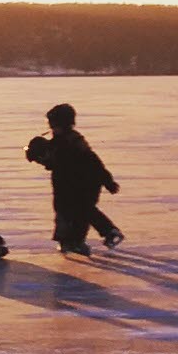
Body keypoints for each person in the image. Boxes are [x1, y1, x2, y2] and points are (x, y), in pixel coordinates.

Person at [24, 103, 123, 256]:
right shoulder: (64, 140)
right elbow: (54, 161)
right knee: (77, 211)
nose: (51, 128)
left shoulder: (69, 142)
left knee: (79, 211)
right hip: (71, 184)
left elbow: (91, 161)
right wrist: (37, 155)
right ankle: (75, 239)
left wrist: (107, 180)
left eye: (53, 124)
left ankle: (78, 240)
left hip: (81, 184)